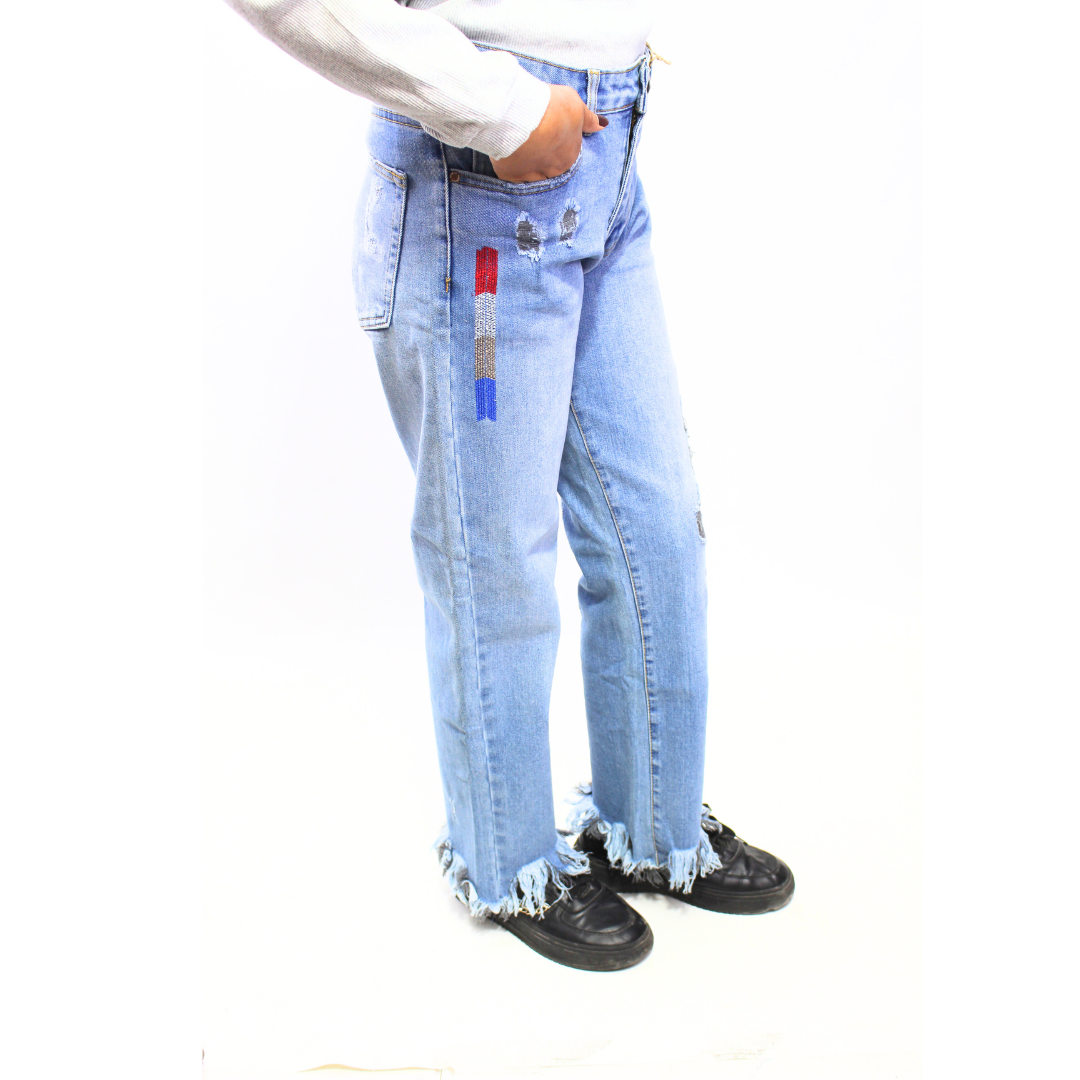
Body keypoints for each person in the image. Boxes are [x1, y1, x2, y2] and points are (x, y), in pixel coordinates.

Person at [224, 0, 794, 971]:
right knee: (496, 562)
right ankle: (509, 861)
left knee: (656, 524)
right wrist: (499, 108)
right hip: (481, 183)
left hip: (608, 155)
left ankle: (652, 832)